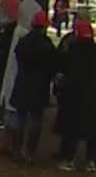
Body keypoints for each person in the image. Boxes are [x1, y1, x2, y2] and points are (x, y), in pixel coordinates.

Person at [4, 10, 58, 162]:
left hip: (23, 82)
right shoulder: (47, 45)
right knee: (36, 119)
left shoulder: (24, 41)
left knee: (20, 117)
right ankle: (30, 151)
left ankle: (17, 148)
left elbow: (18, 57)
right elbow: (53, 65)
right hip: (39, 86)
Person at [55, 18, 96, 171]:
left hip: (75, 94)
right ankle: (90, 160)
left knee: (72, 128)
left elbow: (64, 68)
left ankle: (69, 158)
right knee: (92, 129)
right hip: (94, 95)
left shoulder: (73, 51)